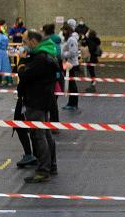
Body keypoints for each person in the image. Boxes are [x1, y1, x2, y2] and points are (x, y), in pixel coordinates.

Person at [17, 30, 59, 183]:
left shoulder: (40, 59)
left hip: (36, 100)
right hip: (44, 99)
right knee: (45, 134)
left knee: (38, 135)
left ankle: (43, 170)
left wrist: (21, 63)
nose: (23, 45)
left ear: (33, 41)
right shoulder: (47, 55)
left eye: (25, 42)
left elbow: (25, 75)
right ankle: (51, 165)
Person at [62, 22, 83, 110]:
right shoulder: (69, 39)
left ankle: (74, 104)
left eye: (64, 30)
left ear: (67, 30)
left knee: (72, 85)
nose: (63, 32)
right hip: (69, 64)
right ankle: (71, 103)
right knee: (70, 85)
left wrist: (63, 54)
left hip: (71, 64)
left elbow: (73, 53)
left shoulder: (71, 39)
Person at [82, 23, 101, 93]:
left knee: (91, 72)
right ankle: (93, 84)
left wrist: (85, 36)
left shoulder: (89, 40)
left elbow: (83, 42)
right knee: (92, 72)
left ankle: (93, 85)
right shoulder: (97, 40)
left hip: (90, 58)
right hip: (94, 58)